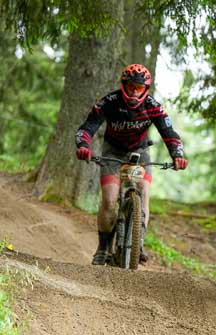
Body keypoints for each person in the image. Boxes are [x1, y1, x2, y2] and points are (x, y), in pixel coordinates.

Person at [75, 64, 188, 266]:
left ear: (146, 89)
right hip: (113, 151)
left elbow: (169, 133)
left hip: (140, 152)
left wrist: (177, 154)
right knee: (109, 199)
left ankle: (139, 243)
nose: (134, 91)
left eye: (139, 87)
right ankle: (103, 248)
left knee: (143, 192)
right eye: (131, 86)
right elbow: (87, 127)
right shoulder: (109, 102)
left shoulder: (153, 106)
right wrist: (83, 145)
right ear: (123, 85)